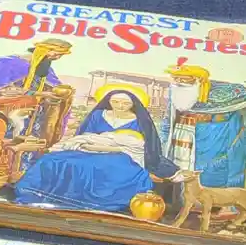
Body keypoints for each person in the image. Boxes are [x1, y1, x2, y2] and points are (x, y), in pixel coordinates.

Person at [14, 84, 183, 212]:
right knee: (53, 159)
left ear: (133, 104)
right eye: (115, 102)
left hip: (121, 154)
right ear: (108, 101)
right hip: (88, 149)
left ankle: (94, 201)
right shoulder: (97, 115)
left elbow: (139, 146)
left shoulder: (139, 121)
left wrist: (106, 147)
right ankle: (39, 194)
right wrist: (89, 145)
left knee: (103, 166)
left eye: (125, 103)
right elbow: (84, 135)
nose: (120, 105)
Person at [164, 57, 246, 188]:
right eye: (175, 78)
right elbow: (167, 122)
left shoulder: (226, 98)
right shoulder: (175, 93)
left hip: (210, 148)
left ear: (199, 80)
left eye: (184, 79)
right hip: (180, 142)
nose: (178, 82)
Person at [0, 38, 72, 107]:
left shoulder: (45, 67)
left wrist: (63, 91)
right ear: (42, 50)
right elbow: (3, 91)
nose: (57, 58)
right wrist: (40, 94)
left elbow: (54, 85)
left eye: (60, 55)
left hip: (27, 106)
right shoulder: (7, 63)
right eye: (55, 54)